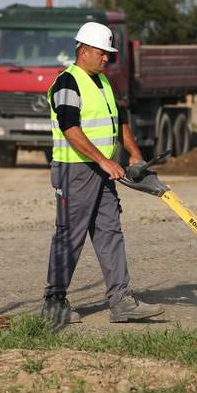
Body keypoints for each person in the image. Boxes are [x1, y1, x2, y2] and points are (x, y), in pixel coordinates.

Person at [41, 21, 164, 327]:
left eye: (108, 53)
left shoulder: (104, 82)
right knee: (70, 235)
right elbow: (70, 128)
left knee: (110, 232)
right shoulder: (67, 83)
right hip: (74, 171)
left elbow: (119, 121)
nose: (107, 57)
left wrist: (134, 153)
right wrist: (104, 161)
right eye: (102, 52)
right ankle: (54, 302)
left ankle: (121, 301)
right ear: (83, 50)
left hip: (100, 170)